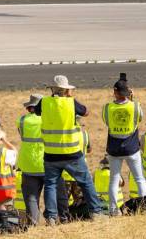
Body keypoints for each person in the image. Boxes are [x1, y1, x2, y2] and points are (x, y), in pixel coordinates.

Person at [37, 75, 104, 224]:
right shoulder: (71, 103)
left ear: (52, 89)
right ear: (66, 90)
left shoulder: (44, 102)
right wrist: (70, 97)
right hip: (71, 153)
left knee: (50, 185)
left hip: (51, 154)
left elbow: (36, 111)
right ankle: (96, 212)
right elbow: (86, 112)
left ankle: (52, 217)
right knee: (86, 182)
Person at [101, 75, 146, 213]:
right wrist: (132, 100)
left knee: (114, 180)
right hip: (132, 149)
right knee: (139, 179)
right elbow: (140, 118)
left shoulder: (107, 108)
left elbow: (107, 122)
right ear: (127, 93)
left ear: (114, 92)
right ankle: (145, 206)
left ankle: (114, 210)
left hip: (114, 150)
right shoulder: (135, 106)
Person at [16, 94, 45, 226]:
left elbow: (21, 135)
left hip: (28, 164)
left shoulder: (21, 121)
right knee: (51, 195)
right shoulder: (48, 120)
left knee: (31, 198)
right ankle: (53, 221)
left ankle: (34, 225)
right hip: (47, 162)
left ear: (29, 108)